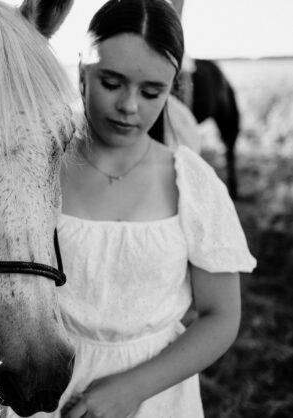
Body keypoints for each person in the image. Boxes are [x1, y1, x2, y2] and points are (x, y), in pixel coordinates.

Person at [52, 0, 256, 417]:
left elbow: (220, 317)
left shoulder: (191, 183)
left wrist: (133, 388)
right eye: (111, 83)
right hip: (43, 389)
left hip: (157, 399)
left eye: (151, 92)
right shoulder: (40, 170)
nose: (130, 106)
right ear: (82, 72)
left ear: (172, 89)